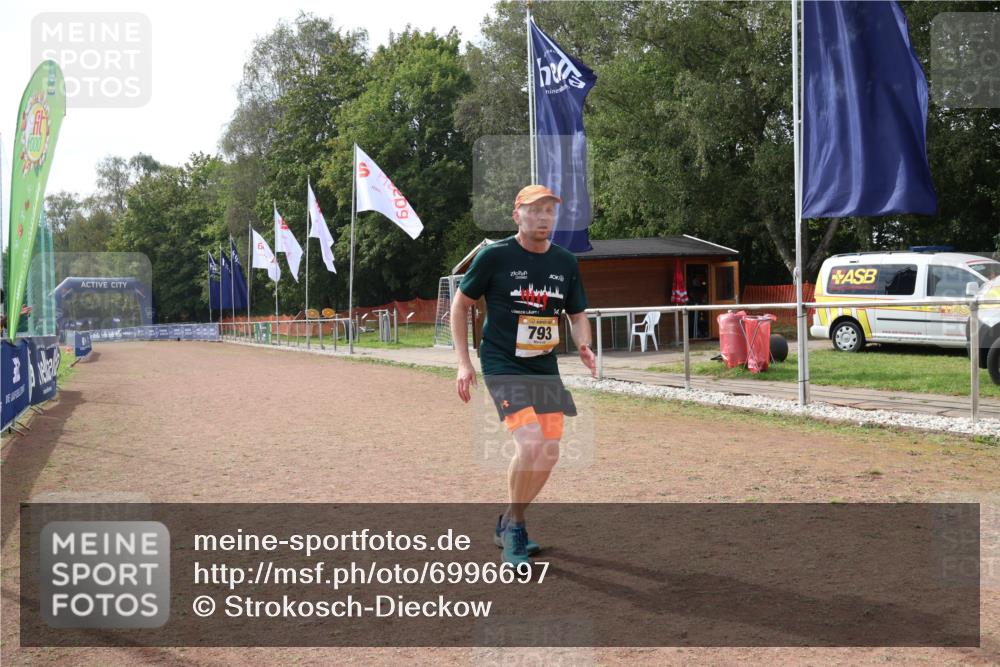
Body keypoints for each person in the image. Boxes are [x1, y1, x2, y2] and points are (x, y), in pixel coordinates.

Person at [451, 184, 596, 565]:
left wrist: (584, 344)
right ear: (517, 216)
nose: (543, 217)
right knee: (530, 443)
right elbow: (460, 305)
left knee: (549, 453)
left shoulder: (565, 262)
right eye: (534, 210)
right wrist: (464, 363)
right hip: (502, 361)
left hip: (543, 366)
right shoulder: (494, 256)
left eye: (549, 211)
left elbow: (577, 315)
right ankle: (515, 529)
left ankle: (509, 520)